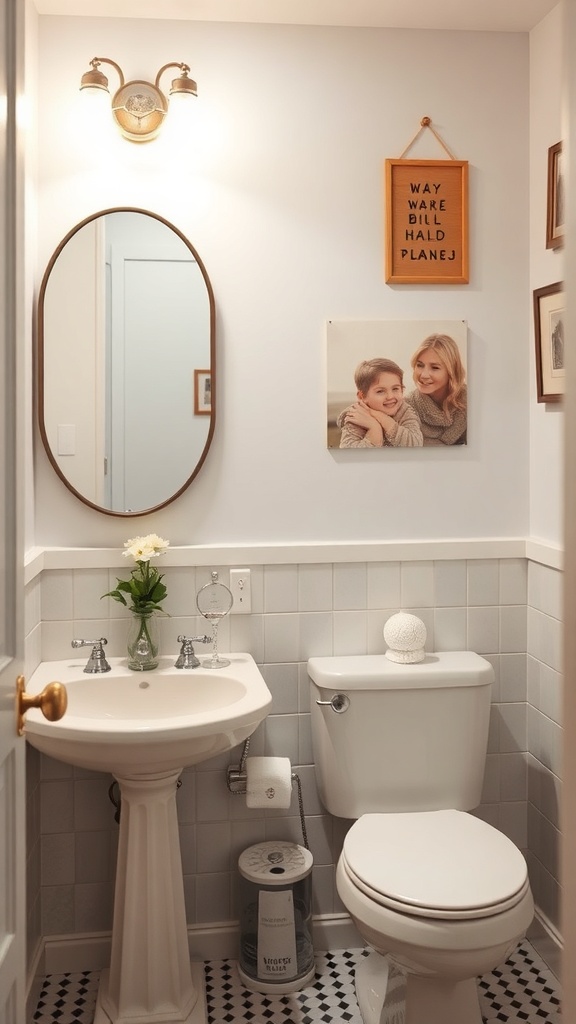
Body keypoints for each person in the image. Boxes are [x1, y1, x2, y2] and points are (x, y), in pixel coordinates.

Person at [337, 358, 423, 448]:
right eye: (380, 391)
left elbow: (415, 444)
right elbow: (348, 452)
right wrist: (374, 428)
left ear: (402, 389)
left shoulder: (405, 411)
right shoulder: (357, 415)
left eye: (395, 389)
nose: (390, 396)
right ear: (362, 397)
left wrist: (381, 417)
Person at [405, 333, 467, 446]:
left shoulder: (469, 401)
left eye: (435, 368)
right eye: (420, 365)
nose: (424, 375)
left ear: (451, 371)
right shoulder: (406, 406)